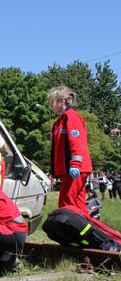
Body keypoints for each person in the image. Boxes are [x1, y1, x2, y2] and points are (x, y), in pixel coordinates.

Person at [49, 86, 93, 218]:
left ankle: (68, 236)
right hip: (72, 170)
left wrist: (75, 164)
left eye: (53, 102)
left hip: (75, 170)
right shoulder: (61, 121)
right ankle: (91, 236)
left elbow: (77, 142)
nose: (51, 106)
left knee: (66, 204)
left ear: (62, 101)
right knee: (79, 207)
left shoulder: (71, 117)